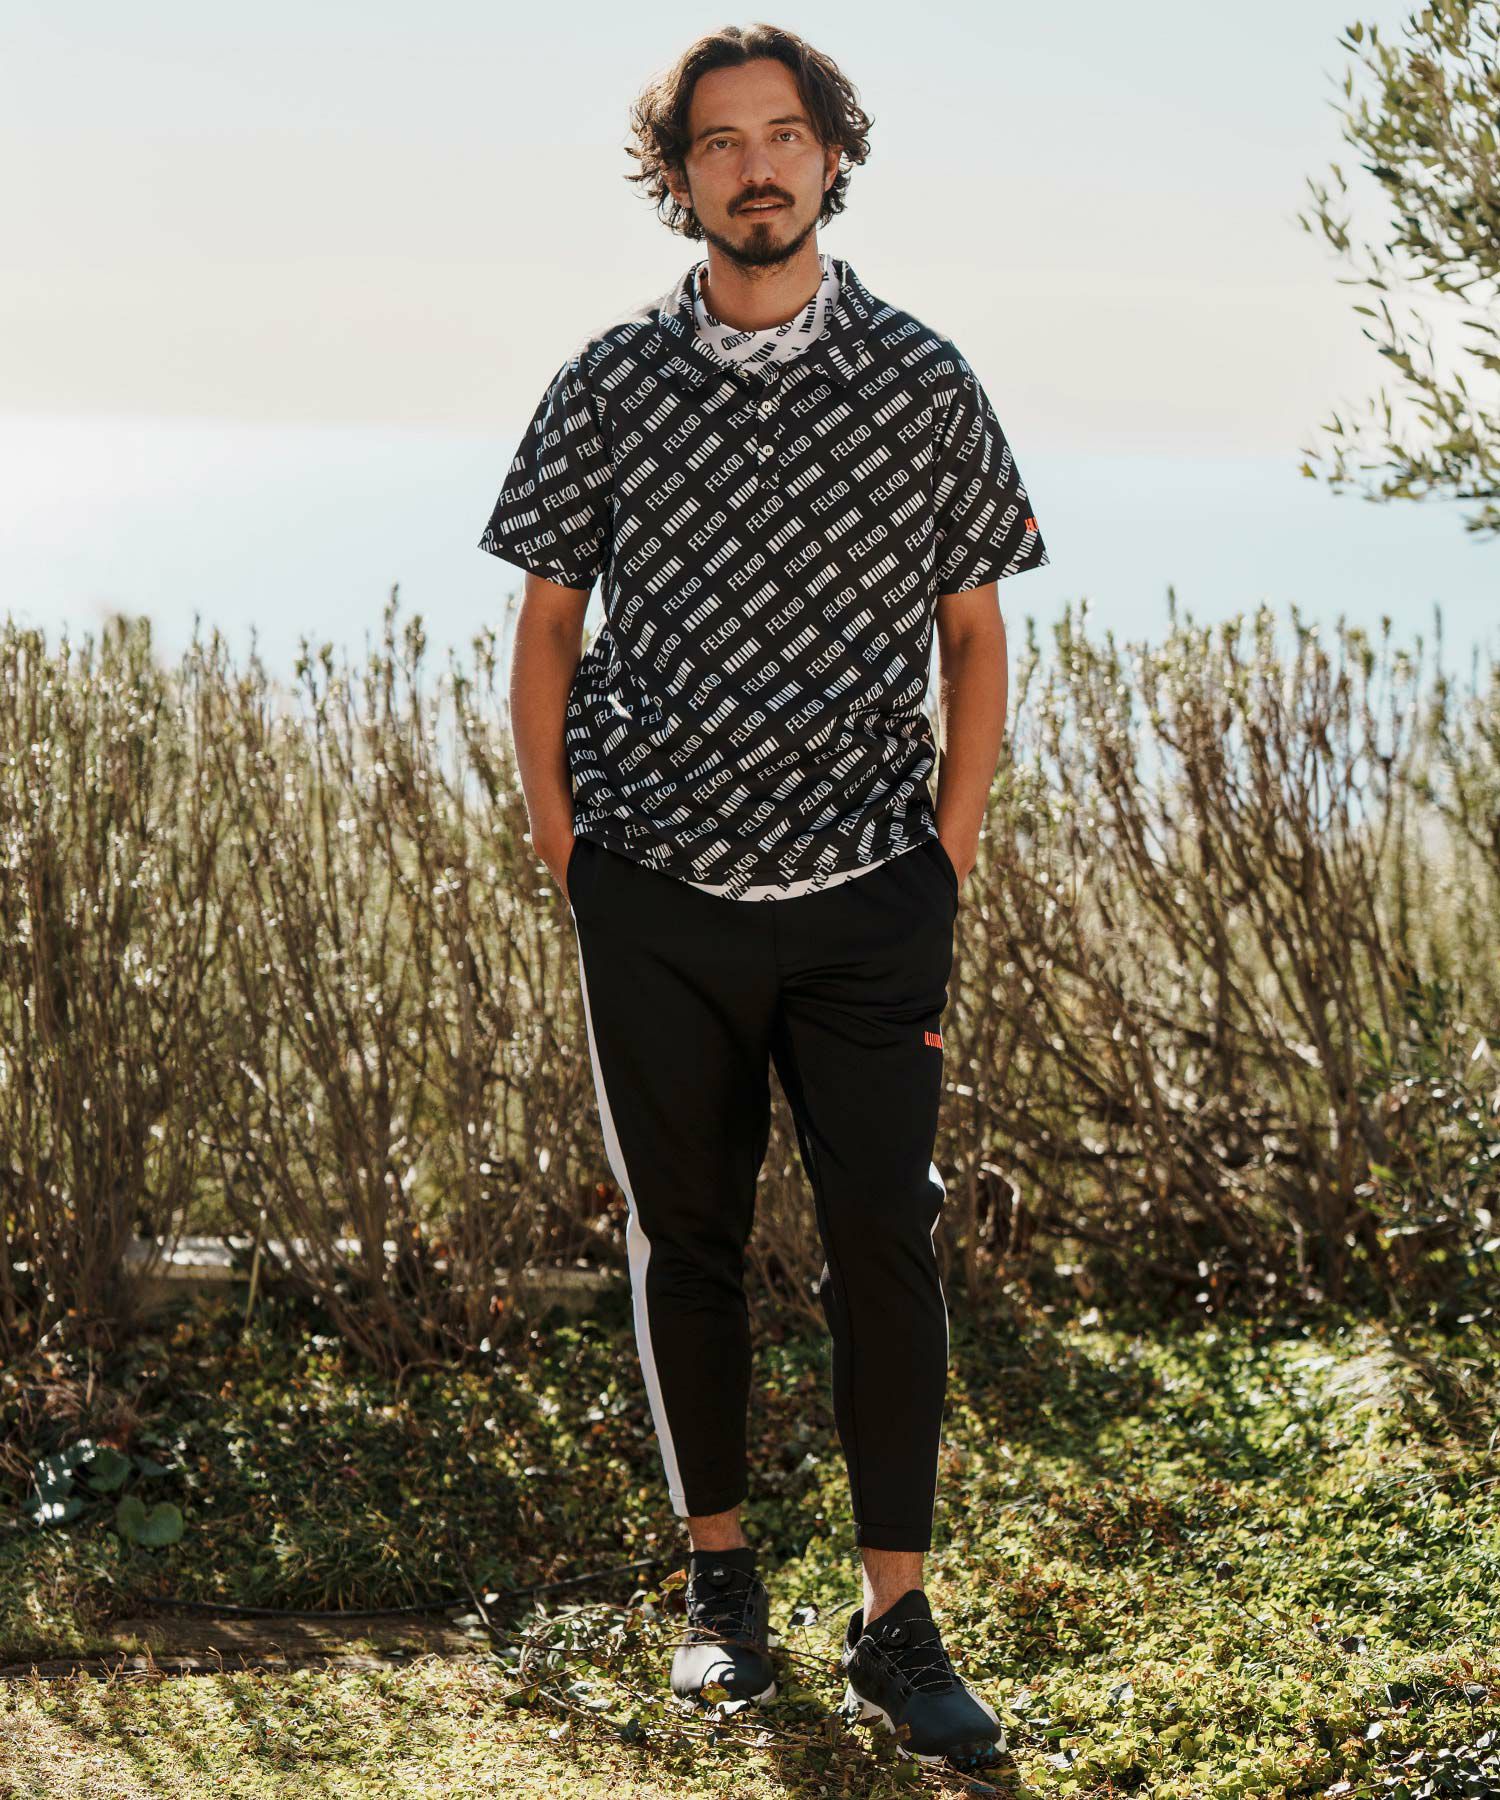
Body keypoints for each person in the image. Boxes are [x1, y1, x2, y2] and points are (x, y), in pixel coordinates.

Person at [480, 22, 1048, 1772]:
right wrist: (572, 850)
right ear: (678, 177)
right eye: (720, 142)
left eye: (785, 135)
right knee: (691, 1243)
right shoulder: (607, 382)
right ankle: (721, 1595)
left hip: (874, 895)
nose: (756, 167)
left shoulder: (926, 380)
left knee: (887, 1240)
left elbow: (975, 634)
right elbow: (548, 626)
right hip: (656, 894)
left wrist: (946, 854)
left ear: (832, 157)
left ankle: (895, 1622)